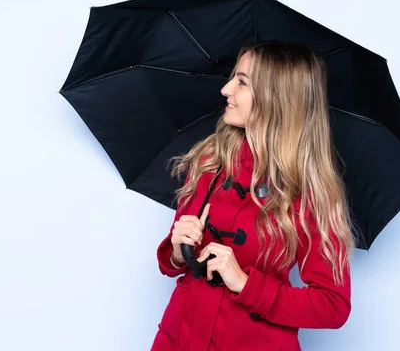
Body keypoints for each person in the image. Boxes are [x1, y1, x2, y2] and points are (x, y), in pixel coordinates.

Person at [151, 41, 356, 351]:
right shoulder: (210, 161)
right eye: (234, 77)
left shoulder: (311, 193)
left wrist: (245, 284)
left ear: (276, 99)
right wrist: (178, 251)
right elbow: (173, 260)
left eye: (242, 82)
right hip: (177, 339)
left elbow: (332, 305)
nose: (226, 89)